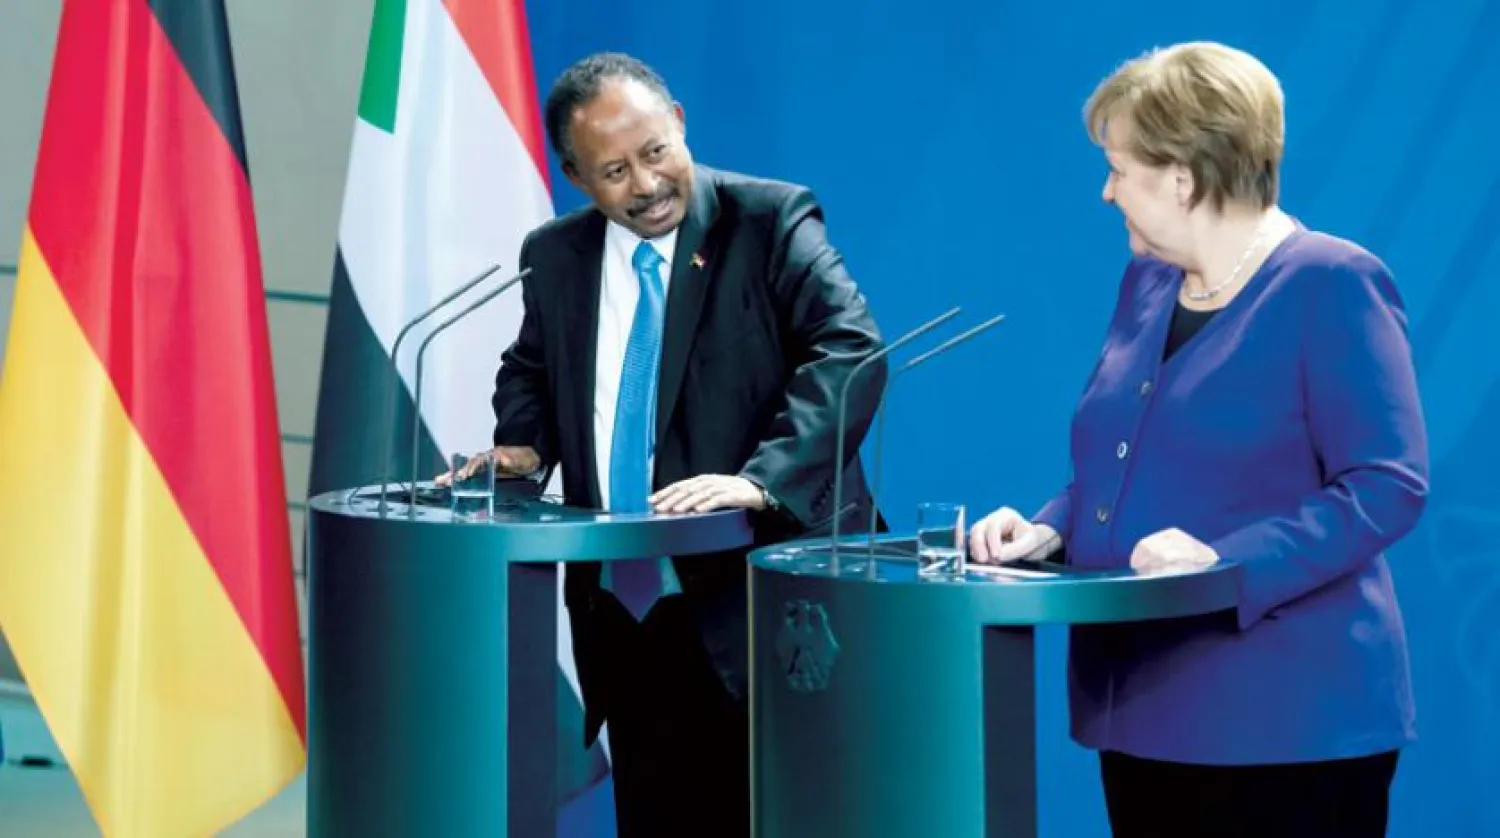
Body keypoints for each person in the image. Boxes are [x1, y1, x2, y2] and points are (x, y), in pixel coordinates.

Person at [969, 41, 1428, 837]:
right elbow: (1121, 458)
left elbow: (1387, 484)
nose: (1107, 192)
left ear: (1181, 178)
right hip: (1142, 714)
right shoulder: (1147, 284)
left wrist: (1226, 564)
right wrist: (1050, 527)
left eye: (1118, 169)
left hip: (1287, 728)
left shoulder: (1332, 283)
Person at [468, 52, 885, 837]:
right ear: (575, 176)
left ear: (681, 124)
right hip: (625, 614)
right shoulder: (555, 257)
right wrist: (523, 445)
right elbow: (529, 367)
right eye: (615, 170)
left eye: (657, 152)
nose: (647, 184)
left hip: (764, 602)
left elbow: (851, 349)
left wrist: (761, 480)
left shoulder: (768, 220)